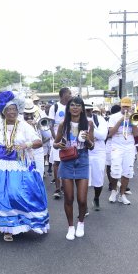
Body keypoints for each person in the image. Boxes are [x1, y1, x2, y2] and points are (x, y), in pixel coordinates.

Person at [0, 91, 49, 242]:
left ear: (18, 110)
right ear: (3, 112)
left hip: (18, 162)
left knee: (16, 193)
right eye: (8, 110)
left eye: (14, 109)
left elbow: (38, 142)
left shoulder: (24, 125)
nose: (12, 112)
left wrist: (26, 144)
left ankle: (22, 222)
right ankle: (7, 228)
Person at [53, 97, 94, 240]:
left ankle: (81, 223)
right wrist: (59, 145)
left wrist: (88, 139)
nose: (75, 108)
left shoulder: (88, 124)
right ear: (68, 108)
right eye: (72, 105)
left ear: (82, 108)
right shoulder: (63, 124)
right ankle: (70, 227)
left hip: (82, 159)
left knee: (82, 199)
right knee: (69, 198)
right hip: (67, 161)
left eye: (78, 105)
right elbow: (55, 144)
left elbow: (92, 146)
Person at [108, 97, 138, 205]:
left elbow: (136, 134)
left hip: (129, 146)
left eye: (127, 106)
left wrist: (133, 122)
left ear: (130, 106)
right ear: (121, 106)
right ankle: (113, 191)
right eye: (124, 106)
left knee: (127, 171)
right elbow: (110, 133)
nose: (125, 108)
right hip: (117, 146)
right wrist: (121, 120)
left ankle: (122, 194)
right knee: (115, 171)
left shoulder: (134, 117)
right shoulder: (113, 117)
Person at [48, 88, 72, 199]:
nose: (71, 95)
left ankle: (65, 186)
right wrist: (55, 140)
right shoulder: (55, 107)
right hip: (57, 139)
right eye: (69, 93)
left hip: (69, 139)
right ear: (63, 95)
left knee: (67, 162)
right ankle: (58, 188)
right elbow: (51, 125)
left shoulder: (72, 106)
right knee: (57, 163)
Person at [86, 105, 108, 211]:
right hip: (84, 152)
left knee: (98, 179)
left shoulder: (100, 119)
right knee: (83, 180)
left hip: (98, 152)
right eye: (85, 110)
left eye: (89, 110)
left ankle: (96, 198)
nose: (87, 112)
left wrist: (91, 127)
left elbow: (103, 136)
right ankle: (83, 204)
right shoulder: (77, 119)